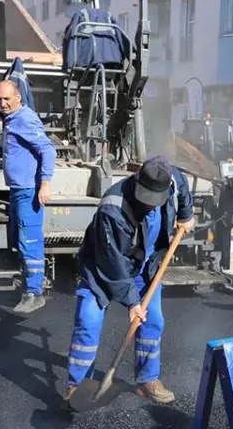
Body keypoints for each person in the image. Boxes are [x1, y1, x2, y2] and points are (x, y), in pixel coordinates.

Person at [66, 156, 196, 406]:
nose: (150, 206)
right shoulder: (112, 209)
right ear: (137, 182)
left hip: (145, 267)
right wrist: (131, 303)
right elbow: (112, 263)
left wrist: (186, 214)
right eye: (145, 199)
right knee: (88, 320)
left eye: (154, 202)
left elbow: (182, 185)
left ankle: (147, 380)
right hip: (102, 267)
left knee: (153, 320)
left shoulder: (173, 179)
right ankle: (77, 387)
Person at [0, 79, 56, 314]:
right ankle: (28, 286)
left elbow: (48, 149)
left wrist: (45, 183)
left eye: (7, 99)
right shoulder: (11, 119)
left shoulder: (24, 119)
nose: (3, 103)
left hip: (29, 190)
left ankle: (34, 292)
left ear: (19, 98)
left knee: (30, 240)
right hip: (18, 190)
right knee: (20, 238)